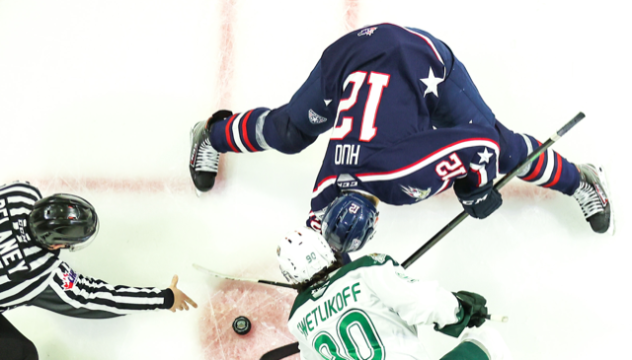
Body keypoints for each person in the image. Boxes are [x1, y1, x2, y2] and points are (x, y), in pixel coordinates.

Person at [188, 23, 612, 253]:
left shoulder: (404, 177)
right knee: (288, 131)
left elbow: (482, 144)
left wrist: (474, 189)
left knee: (501, 147)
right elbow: (314, 241)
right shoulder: (325, 192)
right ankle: (212, 134)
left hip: (421, 60)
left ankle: (580, 180)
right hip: (350, 56)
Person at [0, 181, 197, 360]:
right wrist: (164, 298)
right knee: (22, 354)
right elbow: (93, 297)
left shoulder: (18, 193)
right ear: (56, 245)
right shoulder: (39, 272)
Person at [275, 227, 513, 360]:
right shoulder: (365, 269)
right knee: (488, 339)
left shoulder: (297, 319)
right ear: (326, 249)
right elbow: (424, 302)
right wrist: (460, 310)